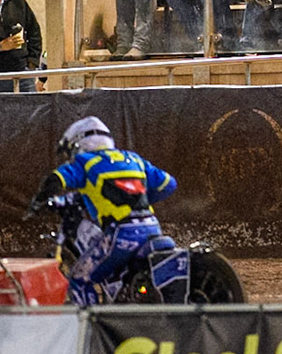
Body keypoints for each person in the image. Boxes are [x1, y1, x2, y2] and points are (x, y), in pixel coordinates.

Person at [27, 114, 176, 305]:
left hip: (122, 234)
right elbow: (169, 184)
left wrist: (39, 201)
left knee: (80, 279)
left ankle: (91, 328)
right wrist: (142, 199)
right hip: (152, 228)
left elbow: (57, 178)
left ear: (78, 144)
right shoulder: (133, 158)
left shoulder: (86, 162)